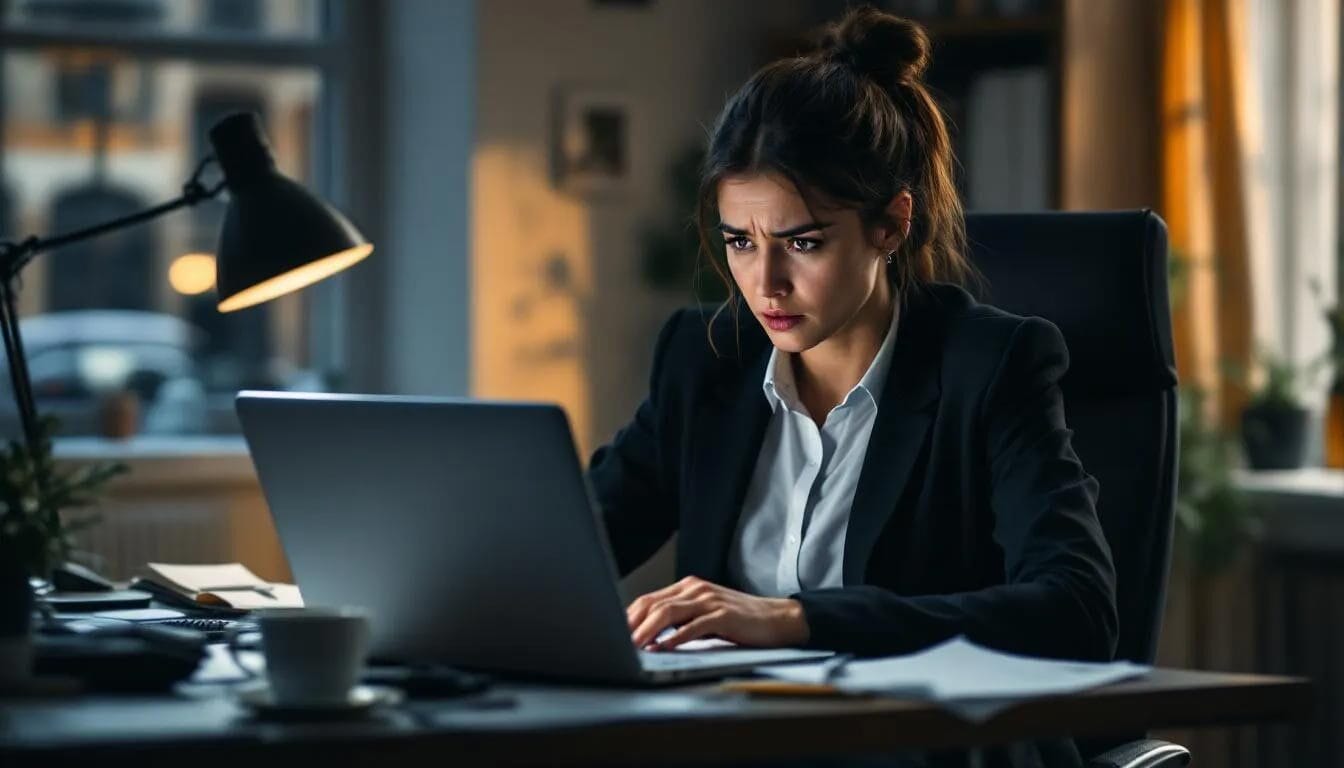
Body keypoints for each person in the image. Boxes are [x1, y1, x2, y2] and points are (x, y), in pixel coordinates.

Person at [586, 7, 1117, 766]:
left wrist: (797, 619)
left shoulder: (991, 367)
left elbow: (1076, 610)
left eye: (802, 243)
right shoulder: (706, 363)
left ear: (891, 225)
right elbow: (572, 545)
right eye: (740, 242)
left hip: (927, 750)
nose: (765, 283)